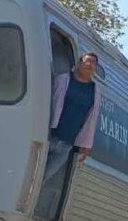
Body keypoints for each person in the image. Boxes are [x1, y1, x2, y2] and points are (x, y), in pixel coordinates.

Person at [42, 52, 102, 183]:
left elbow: (91, 119)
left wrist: (86, 145)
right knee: (31, 171)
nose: (90, 64)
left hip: (66, 144)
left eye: (93, 63)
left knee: (43, 178)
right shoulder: (63, 79)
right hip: (48, 135)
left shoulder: (95, 90)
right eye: (87, 61)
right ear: (79, 63)